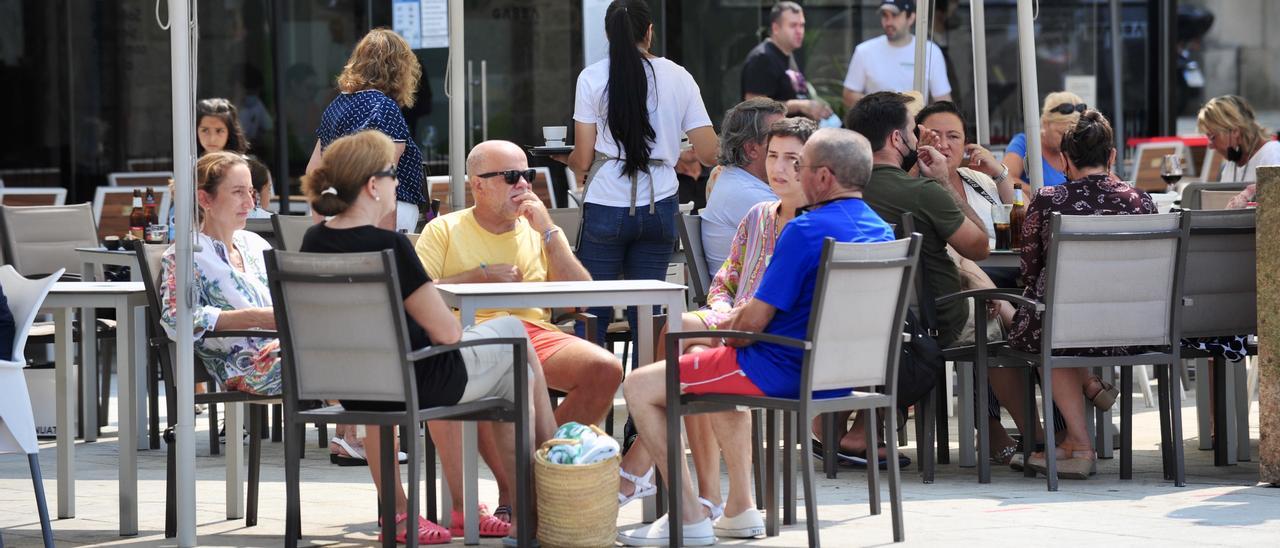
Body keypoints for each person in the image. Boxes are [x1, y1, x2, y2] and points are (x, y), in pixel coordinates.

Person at [619, 128, 893, 546]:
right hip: (841, 375)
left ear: (823, 177)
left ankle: (690, 516)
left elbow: (751, 325)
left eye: (800, 166)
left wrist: (720, 338)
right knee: (702, 368)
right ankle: (739, 509)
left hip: (777, 368)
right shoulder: (883, 233)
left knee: (639, 384)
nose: (793, 174)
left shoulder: (803, 232)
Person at [299, 131, 557, 543]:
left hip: (353, 383)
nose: (398, 183)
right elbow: (448, 331)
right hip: (419, 380)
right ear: (371, 186)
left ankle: (489, 499)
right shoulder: (391, 247)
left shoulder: (314, 240)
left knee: (512, 348)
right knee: (515, 348)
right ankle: (542, 493)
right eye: (393, 175)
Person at [617, 117, 815, 537]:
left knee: (678, 334)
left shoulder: (812, 227)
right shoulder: (759, 214)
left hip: (770, 337)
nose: (779, 169)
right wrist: (722, 310)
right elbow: (725, 278)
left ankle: (643, 462)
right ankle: (712, 499)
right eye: (774, 156)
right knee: (684, 341)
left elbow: (779, 309)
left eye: (792, 160)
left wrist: (725, 318)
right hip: (734, 320)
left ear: (814, 165)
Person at [415, 140, 624, 524]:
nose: (523, 186)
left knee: (606, 368)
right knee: (490, 380)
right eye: (511, 177)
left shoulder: (538, 230)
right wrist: (477, 277)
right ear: (478, 185)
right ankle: (517, 488)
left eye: (527, 175)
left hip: (535, 332)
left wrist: (549, 230)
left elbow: (581, 299)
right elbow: (419, 295)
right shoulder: (444, 229)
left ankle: (538, 474)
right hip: (473, 334)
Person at [560, 0, 718, 353]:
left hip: (605, 203)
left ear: (607, 33)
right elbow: (709, 152)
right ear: (649, 32)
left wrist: (566, 158)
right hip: (659, 202)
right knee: (648, 312)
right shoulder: (679, 76)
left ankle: (592, 406)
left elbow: (583, 159)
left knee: (593, 309)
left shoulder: (592, 77)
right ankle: (644, 404)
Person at [1009, 110, 1156, 479]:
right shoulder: (1141, 201)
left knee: (1050, 326)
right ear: (1112, 156)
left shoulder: (1048, 199)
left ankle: (1080, 443)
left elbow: (1028, 271)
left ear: (1063, 159)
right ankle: (1079, 426)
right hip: (1135, 330)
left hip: (1064, 328)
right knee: (1059, 323)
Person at [842, 91, 988, 462]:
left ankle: (859, 429)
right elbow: (979, 246)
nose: (917, 137)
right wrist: (941, 180)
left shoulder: (838, 191)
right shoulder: (922, 193)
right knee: (997, 320)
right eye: (912, 130)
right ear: (896, 139)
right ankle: (1028, 434)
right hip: (933, 320)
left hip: (854, 318)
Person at [159, 152, 278, 395]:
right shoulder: (186, 254)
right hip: (248, 367)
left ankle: (348, 432)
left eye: (251, 192)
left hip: (286, 349)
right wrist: (255, 317)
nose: (250, 203)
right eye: (238, 192)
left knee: (357, 348)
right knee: (334, 359)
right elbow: (175, 319)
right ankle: (351, 431)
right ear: (205, 199)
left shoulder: (255, 244)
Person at [308, 28, 426, 233]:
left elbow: (313, 170)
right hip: (384, 217)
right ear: (400, 68)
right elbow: (385, 176)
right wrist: (385, 238)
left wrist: (320, 225)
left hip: (340, 213)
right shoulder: (384, 107)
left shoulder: (336, 105)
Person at [700, 98, 786, 269]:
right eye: (780, 137)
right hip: (748, 294)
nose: (791, 143)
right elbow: (806, 240)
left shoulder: (739, 180)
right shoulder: (747, 193)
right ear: (752, 149)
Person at [841, 0, 952, 110]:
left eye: (895, 15)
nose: (888, 22)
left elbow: (943, 100)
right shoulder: (864, 51)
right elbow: (848, 96)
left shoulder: (931, 50)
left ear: (911, 18)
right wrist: (884, 108)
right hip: (875, 125)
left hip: (916, 125)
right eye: (885, 15)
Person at [740, 1, 833, 121]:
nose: (799, 31)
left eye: (802, 25)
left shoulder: (789, 54)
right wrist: (800, 105)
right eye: (793, 25)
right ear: (776, 28)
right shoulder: (762, 58)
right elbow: (754, 107)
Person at [1196, 95, 1280, 207]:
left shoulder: (1271, 154)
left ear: (1235, 131)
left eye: (1212, 137)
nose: (1210, 146)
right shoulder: (1232, 162)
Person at [999, 91, 1085, 198]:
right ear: (1045, 123)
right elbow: (1006, 179)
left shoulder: (1079, 146)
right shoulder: (1025, 143)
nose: (1067, 140)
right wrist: (1048, 197)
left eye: (1073, 135)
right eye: (1061, 133)